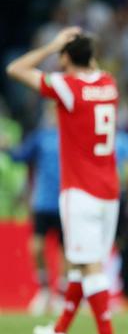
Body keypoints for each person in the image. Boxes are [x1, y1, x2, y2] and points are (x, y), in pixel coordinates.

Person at [7, 27, 120, 334]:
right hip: (109, 190)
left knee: (88, 264)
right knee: (82, 263)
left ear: (66, 58)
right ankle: (59, 331)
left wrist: (52, 45)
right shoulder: (108, 84)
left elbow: (15, 69)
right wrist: (80, 49)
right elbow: (90, 66)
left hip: (81, 190)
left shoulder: (68, 87)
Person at [8, 103, 63, 315]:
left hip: (66, 200)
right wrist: (6, 147)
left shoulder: (72, 136)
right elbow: (20, 156)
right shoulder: (41, 137)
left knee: (65, 251)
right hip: (43, 201)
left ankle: (61, 294)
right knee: (37, 247)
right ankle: (44, 291)